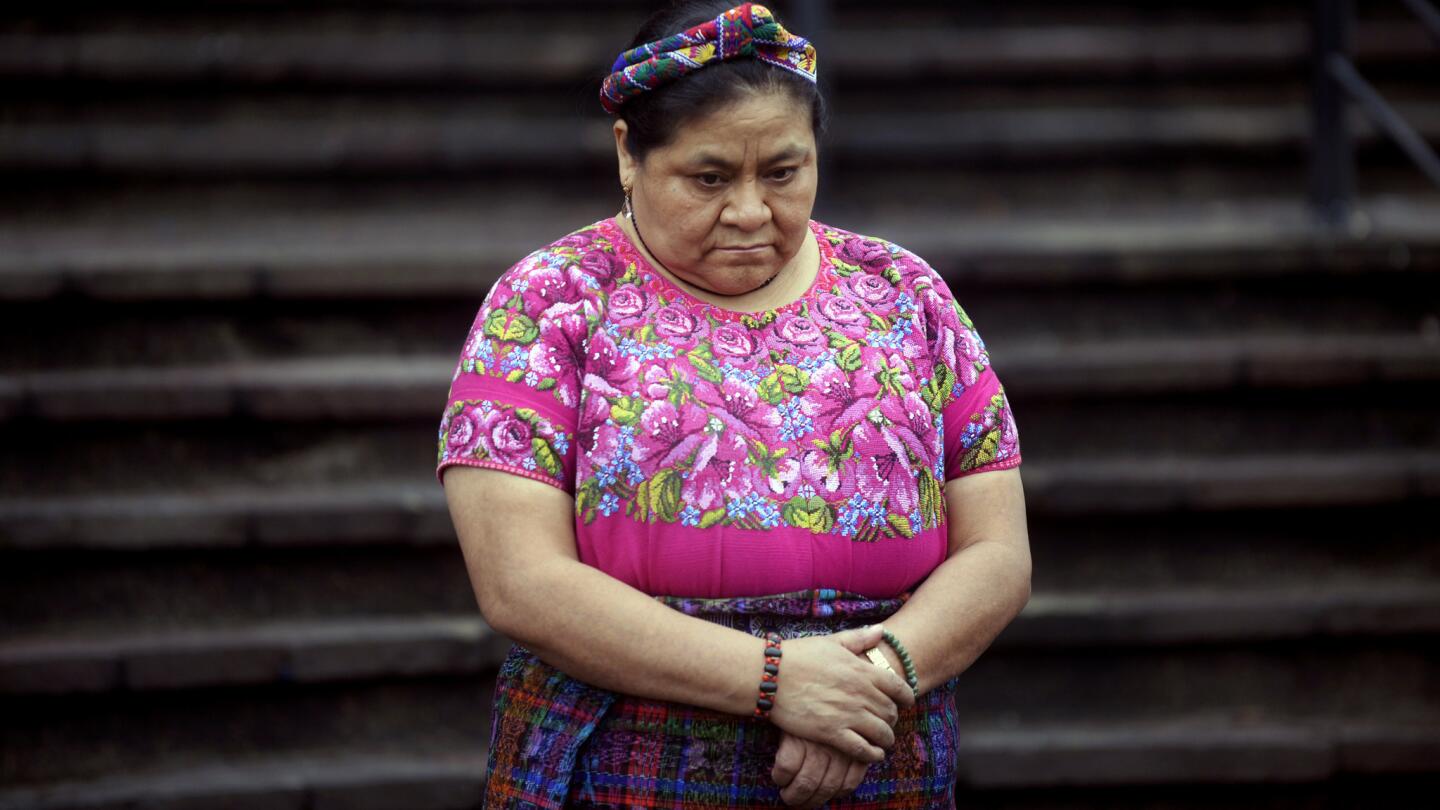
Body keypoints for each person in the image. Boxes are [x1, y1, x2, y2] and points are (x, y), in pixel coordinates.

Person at [435, 2, 1030, 807]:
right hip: (627, 761)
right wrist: (778, 682)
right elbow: (520, 580)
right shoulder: (548, 305)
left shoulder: (904, 294)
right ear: (628, 156)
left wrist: (872, 680)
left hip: (877, 748)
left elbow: (998, 555)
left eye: (782, 174)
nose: (750, 212)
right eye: (709, 178)